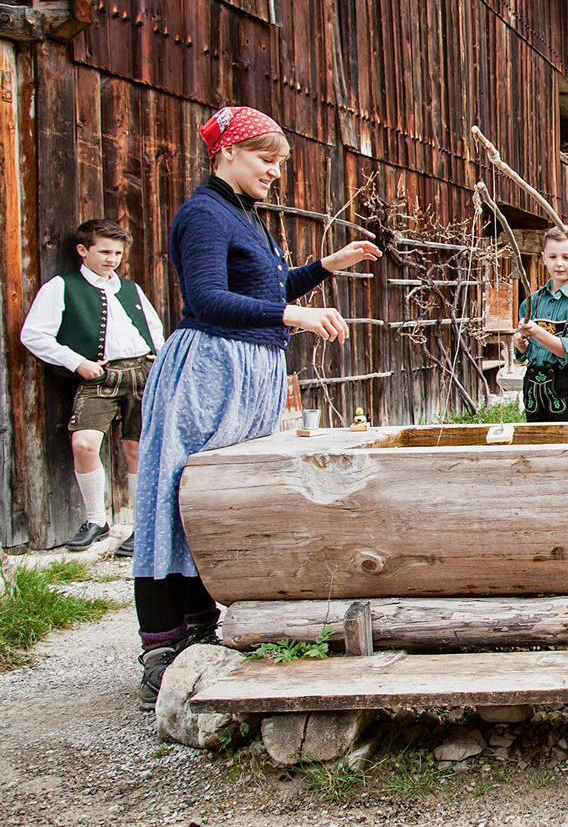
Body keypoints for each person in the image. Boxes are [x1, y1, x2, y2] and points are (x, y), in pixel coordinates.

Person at [133, 105, 381, 709]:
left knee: (223, 492)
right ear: (226, 154)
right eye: (265, 160)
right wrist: (291, 315)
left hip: (252, 368)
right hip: (211, 369)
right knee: (177, 492)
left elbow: (267, 289)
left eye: (278, 163)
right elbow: (208, 300)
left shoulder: (245, 214)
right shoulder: (203, 214)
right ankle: (164, 645)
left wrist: (325, 267)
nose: (275, 172)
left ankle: (206, 622)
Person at [20, 219, 166, 555]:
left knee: (138, 451)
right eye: (104, 251)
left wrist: (159, 362)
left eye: (117, 253)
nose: (111, 259)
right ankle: (97, 520)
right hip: (98, 375)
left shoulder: (131, 290)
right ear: (83, 251)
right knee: (84, 444)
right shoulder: (62, 286)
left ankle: (141, 527)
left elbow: (154, 332)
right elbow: (33, 334)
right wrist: (77, 362)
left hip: (142, 372)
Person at [512, 228, 568, 422]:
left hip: (566, 382)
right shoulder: (531, 302)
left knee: (567, 443)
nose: (559, 264)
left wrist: (536, 331)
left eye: (567, 257)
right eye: (553, 257)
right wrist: (521, 345)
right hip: (533, 383)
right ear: (544, 258)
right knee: (536, 443)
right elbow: (521, 356)